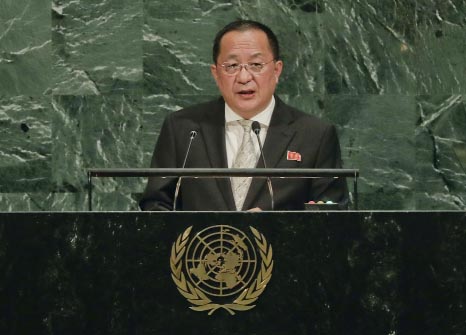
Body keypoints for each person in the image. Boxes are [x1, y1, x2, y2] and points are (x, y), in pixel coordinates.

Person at [139, 20, 348, 211]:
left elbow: (332, 213)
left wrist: (279, 227)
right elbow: (156, 204)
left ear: (277, 70)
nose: (244, 77)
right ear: (215, 74)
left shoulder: (314, 135)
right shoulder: (183, 128)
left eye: (256, 65)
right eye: (231, 66)